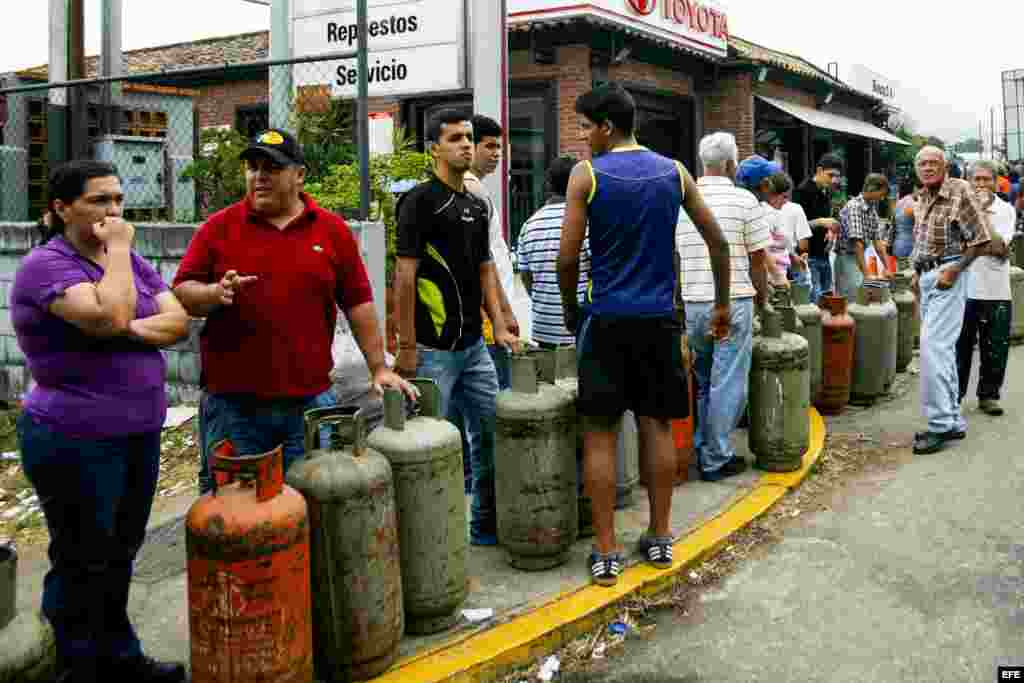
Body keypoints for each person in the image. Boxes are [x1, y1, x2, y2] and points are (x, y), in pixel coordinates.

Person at [12, 160, 190, 683]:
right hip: (74, 437)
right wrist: (120, 287)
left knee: (118, 553)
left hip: (135, 431)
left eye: (117, 200)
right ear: (61, 209)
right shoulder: (48, 265)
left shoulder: (126, 261)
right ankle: (71, 664)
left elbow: (176, 320)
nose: (113, 212)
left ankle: (117, 657)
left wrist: (123, 326)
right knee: (82, 558)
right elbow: (110, 314)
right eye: (98, 201)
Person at [173, 129, 415, 493]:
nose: (259, 176)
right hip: (234, 407)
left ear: (299, 175)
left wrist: (378, 367)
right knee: (237, 516)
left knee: (314, 508)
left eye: (271, 167)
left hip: (309, 407)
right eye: (252, 167)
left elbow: (358, 303)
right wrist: (213, 292)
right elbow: (183, 290)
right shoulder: (218, 228)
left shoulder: (332, 231)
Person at [559, 84, 731, 586]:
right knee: (656, 426)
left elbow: (567, 258)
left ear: (607, 127)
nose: (585, 137)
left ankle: (607, 551)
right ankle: (659, 538)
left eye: (587, 127)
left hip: (606, 320)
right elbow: (717, 241)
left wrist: (573, 313)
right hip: (659, 320)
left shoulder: (586, 175)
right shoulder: (674, 172)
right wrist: (720, 303)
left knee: (600, 433)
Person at [395, 109, 520, 547]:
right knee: (430, 448)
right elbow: (405, 277)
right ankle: (431, 543)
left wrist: (500, 325)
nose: (466, 145)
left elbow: (486, 269)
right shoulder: (418, 202)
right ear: (434, 148)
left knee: (489, 436)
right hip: (433, 350)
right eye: (455, 139)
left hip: (474, 347)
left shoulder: (474, 204)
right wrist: (406, 346)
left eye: (468, 137)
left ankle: (484, 526)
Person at [679, 134, 771, 485]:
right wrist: (762, 300)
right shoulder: (744, 200)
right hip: (732, 301)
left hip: (693, 302)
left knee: (704, 382)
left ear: (703, 163)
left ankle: (704, 447)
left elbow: (675, 258)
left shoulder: (683, 201)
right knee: (728, 383)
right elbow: (758, 260)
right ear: (732, 165)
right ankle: (716, 457)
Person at [910, 146, 991, 455]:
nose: (928, 168)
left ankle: (940, 424)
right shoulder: (922, 196)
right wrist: (917, 272)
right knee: (940, 350)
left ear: (945, 167)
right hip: (928, 276)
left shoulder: (961, 190)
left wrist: (955, 270)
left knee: (933, 348)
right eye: (922, 163)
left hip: (949, 274)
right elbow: (922, 240)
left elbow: (981, 240)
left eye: (933, 163)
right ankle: (953, 420)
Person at [464, 114, 523, 388]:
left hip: (491, 313)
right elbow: (482, 259)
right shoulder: (471, 189)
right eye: (489, 146)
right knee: (497, 399)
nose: (497, 153)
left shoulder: (476, 187)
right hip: (490, 317)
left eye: (499, 147)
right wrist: (503, 313)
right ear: (469, 146)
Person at [956, 160, 1014, 416]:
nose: (981, 184)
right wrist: (985, 244)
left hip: (996, 289)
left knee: (995, 346)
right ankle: (954, 397)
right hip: (964, 289)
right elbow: (957, 246)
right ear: (969, 182)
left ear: (995, 181)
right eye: (976, 180)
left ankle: (988, 396)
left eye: (986, 179)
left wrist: (980, 217)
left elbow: (1001, 249)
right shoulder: (958, 209)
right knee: (960, 347)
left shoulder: (1005, 210)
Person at [516, 155, 590, 348]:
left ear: (548, 184)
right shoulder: (586, 222)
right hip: (581, 328)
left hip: (543, 329)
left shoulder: (529, 225)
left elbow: (526, 277)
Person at [793, 154, 845, 303]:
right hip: (808, 256)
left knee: (827, 297)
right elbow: (797, 226)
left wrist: (829, 231)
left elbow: (826, 222)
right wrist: (822, 222)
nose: (834, 180)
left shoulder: (826, 192)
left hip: (824, 254)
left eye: (837, 176)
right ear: (819, 170)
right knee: (815, 300)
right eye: (831, 175)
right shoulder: (803, 191)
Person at [833, 173, 893, 299]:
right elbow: (857, 244)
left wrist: (888, 268)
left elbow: (877, 242)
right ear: (871, 189)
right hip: (846, 257)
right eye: (881, 194)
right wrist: (866, 274)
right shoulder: (855, 206)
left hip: (858, 257)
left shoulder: (872, 211)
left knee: (862, 296)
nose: (882, 198)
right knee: (855, 296)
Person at [777, 180, 813, 300]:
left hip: (769, 263)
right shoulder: (795, 208)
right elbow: (803, 244)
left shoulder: (760, 207)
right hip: (792, 262)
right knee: (800, 301)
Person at [892, 177, 918, 268]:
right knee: (908, 276)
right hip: (909, 245)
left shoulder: (898, 203)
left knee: (901, 275)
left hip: (898, 244)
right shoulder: (911, 203)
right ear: (914, 188)